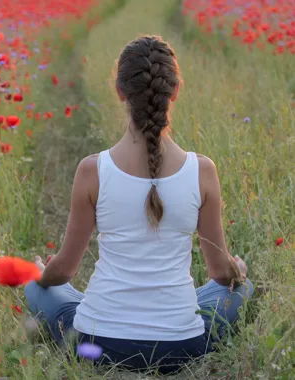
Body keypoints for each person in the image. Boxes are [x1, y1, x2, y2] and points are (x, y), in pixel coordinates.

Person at [24, 35, 254, 374]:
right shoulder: (202, 171)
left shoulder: (93, 170)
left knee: (35, 284)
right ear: (174, 91)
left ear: (119, 91)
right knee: (241, 288)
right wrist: (238, 271)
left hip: (97, 342)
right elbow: (221, 273)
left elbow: (65, 271)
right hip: (182, 346)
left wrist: (42, 273)